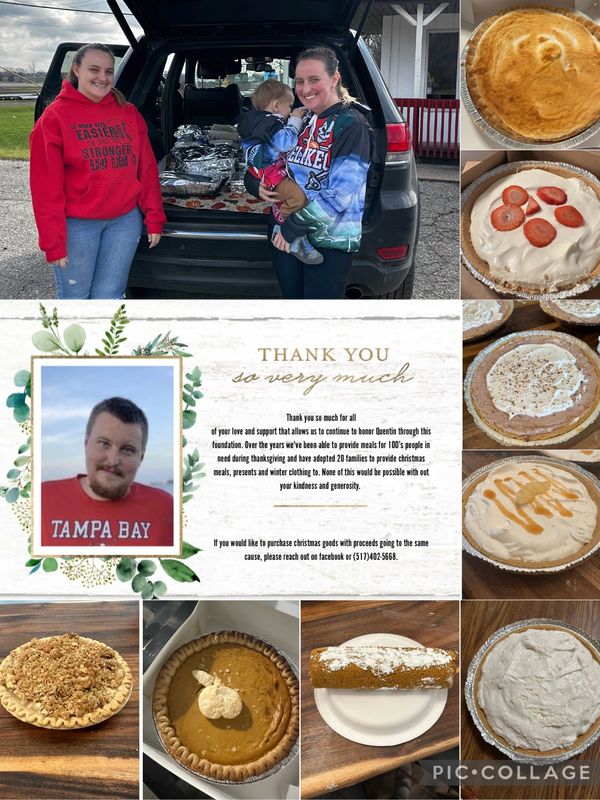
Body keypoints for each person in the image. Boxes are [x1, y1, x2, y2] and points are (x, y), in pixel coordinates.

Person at [30, 43, 166, 299]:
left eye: (108, 71)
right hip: (78, 226)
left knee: (111, 296)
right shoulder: (54, 118)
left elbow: (146, 169)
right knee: (76, 299)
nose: (102, 78)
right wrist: (54, 242)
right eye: (94, 69)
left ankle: (106, 341)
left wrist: (154, 216)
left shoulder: (128, 113)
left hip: (124, 222)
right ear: (76, 70)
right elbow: (45, 188)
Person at [246, 47, 372, 299]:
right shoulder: (298, 119)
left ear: (334, 79)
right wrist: (252, 183)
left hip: (326, 239)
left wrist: (290, 229)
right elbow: (263, 159)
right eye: (300, 81)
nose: (305, 89)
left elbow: (340, 195)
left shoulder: (351, 125)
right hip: (283, 227)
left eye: (314, 80)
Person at [41, 397, 173, 547]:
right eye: (104, 443)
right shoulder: (40, 500)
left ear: (141, 458)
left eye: (127, 449)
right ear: (86, 444)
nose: (113, 460)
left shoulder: (166, 509)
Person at [238, 79, 323, 265]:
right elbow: (286, 143)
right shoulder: (270, 124)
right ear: (276, 106)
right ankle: (282, 220)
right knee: (299, 197)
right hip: (272, 175)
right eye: (290, 106)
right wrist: (295, 120)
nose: (291, 110)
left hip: (264, 173)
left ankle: (293, 228)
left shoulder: (256, 123)